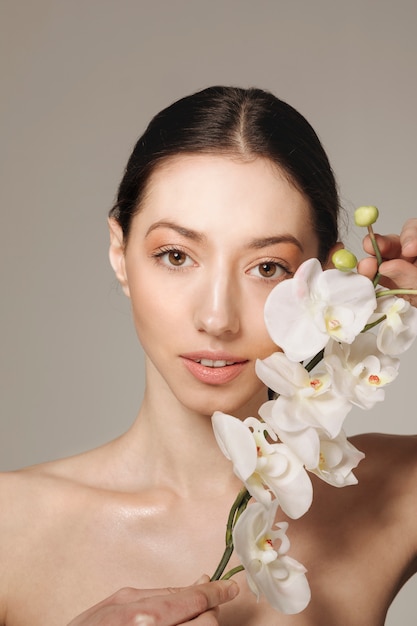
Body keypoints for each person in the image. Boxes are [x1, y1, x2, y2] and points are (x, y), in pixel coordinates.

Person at [1, 86, 417, 626]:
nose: (217, 318)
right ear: (119, 254)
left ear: (323, 281)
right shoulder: (10, 527)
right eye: (176, 256)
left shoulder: (394, 492)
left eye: (268, 267)